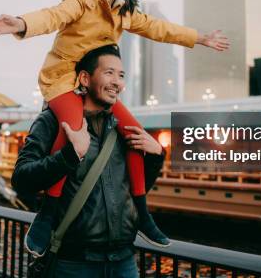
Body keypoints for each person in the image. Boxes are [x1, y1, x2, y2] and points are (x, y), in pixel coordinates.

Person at [0, 0, 229, 253]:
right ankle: (47, 214)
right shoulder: (81, 1)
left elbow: (158, 28)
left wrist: (199, 38)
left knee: (134, 134)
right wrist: (22, 24)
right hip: (64, 79)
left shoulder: (123, 11)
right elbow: (53, 16)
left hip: (97, 83)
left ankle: (141, 212)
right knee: (71, 129)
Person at [12, 44, 165, 277]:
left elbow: (131, 191)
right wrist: (69, 156)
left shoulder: (122, 128)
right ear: (84, 78)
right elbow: (22, 180)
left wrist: (156, 156)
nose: (117, 82)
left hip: (124, 260)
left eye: (121, 75)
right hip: (73, 263)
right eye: (109, 73)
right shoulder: (52, 121)